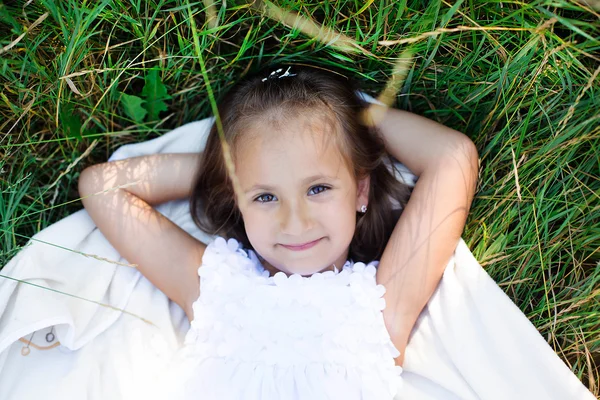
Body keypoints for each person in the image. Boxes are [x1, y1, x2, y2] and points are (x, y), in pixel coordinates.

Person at [78, 63, 479, 399]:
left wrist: (355, 120)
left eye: (318, 188)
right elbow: (103, 187)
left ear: (360, 189)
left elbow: (452, 157)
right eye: (265, 197)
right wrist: (230, 168)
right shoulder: (216, 290)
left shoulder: (379, 307)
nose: (295, 222)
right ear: (237, 199)